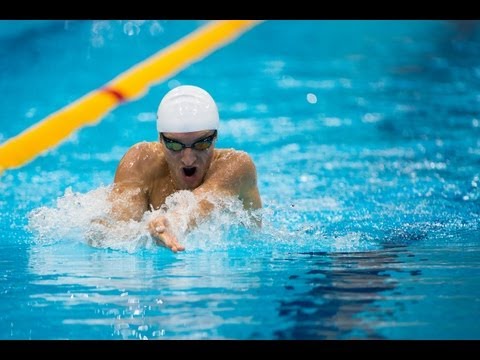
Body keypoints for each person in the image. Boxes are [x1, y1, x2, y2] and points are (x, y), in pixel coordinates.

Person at [107, 85, 262, 252]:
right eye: (174, 145)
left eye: (202, 143)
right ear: (160, 139)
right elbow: (115, 232)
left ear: (215, 137)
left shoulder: (236, 166)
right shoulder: (140, 162)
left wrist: (171, 222)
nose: (188, 159)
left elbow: (202, 202)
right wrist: (142, 232)